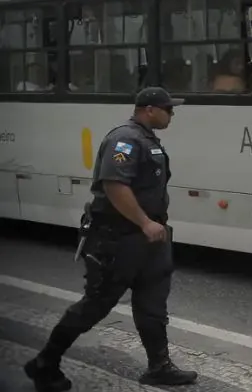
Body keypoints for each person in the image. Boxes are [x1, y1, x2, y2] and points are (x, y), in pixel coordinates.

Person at [24, 87, 198, 392]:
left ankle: (159, 367)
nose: (172, 114)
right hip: (118, 239)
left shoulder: (146, 138)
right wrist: (144, 222)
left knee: (152, 304)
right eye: (168, 109)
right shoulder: (126, 139)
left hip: (150, 240)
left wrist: (153, 227)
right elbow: (115, 184)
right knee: (96, 305)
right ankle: (44, 363)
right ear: (148, 109)